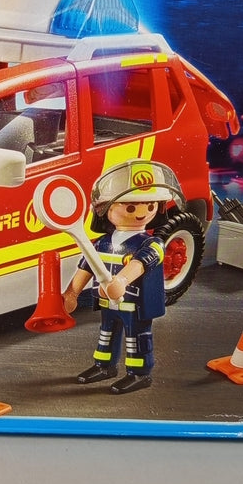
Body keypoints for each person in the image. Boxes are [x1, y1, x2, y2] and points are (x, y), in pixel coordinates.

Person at [62, 161, 170, 394]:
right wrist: (72, 292)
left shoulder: (153, 244)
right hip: (108, 301)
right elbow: (87, 266)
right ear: (105, 209)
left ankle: (139, 373)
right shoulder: (102, 243)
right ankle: (104, 366)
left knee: (137, 337)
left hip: (135, 304)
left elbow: (140, 263)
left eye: (151, 205)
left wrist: (121, 281)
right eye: (130, 207)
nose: (141, 212)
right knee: (106, 333)